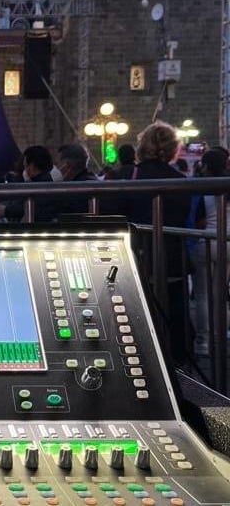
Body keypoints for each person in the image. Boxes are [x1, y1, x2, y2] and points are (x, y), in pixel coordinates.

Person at [116, 121, 193, 366]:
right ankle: (178, 366)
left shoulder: (128, 176)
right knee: (175, 313)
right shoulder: (181, 181)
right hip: (172, 256)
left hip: (136, 256)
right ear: (172, 149)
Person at [189, 148, 230, 355]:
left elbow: (199, 221)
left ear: (205, 166)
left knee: (202, 295)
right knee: (221, 293)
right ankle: (221, 337)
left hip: (205, 242)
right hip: (227, 242)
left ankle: (204, 341)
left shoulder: (203, 188)